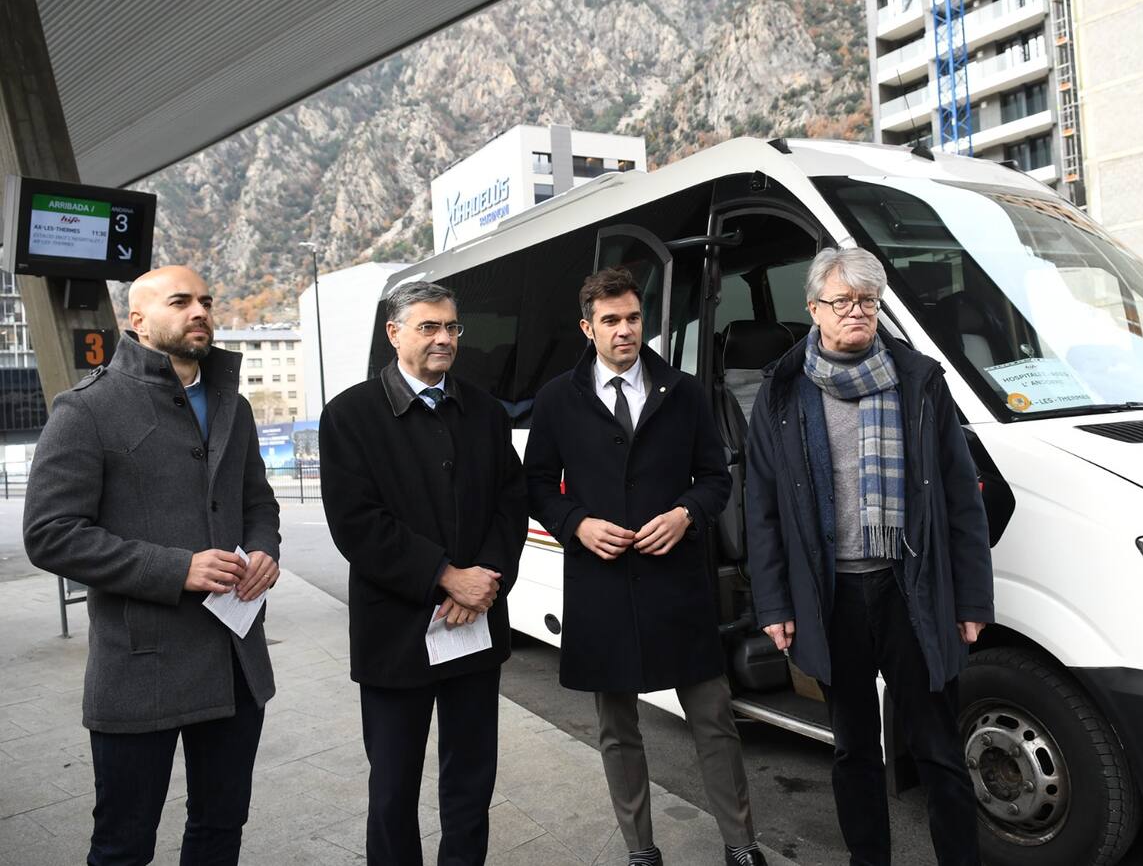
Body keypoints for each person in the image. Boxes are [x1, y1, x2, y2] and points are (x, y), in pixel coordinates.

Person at [23, 265, 281, 866]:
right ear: (137, 320)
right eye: (180, 301)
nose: (200, 311)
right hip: (139, 668)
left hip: (234, 661)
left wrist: (265, 549)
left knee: (221, 827)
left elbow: (258, 501)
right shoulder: (86, 408)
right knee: (123, 844)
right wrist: (175, 568)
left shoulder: (234, 406)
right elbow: (49, 534)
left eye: (206, 301)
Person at [745, 247, 994, 865]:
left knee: (938, 747)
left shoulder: (919, 381)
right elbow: (762, 506)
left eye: (867, 301)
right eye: (842, 301)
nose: (856, 311)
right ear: (813, 309)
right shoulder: (781, 391)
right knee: (853, 748)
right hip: (831, 596)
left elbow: (960, 496)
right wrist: (775, 604)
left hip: (910, 587)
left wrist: (971, 598)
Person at [525, 267, 766, 866]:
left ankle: (741, 844)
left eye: (633, 317)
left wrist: (686, 514)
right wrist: (578, 523)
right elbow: (536, 486)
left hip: (676, 584)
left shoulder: (684, 392)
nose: (625, 330)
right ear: (588, 328)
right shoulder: (557, 399)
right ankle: (641, 851)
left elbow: (715, 478)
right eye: (610, 320)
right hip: (600, 584)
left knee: (713, 717)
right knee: (617, 728)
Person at [319, 281, 525, 866]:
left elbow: (511, 503)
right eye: (428, 326)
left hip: (474, 625)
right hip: (396, 633)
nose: (444, 339)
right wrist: (444, 575)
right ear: (394, 333)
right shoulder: (350, 416)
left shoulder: (485, 412)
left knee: (471, 782)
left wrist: (485, 578)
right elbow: (357, 524)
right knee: (392, 786)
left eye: (451, 327)